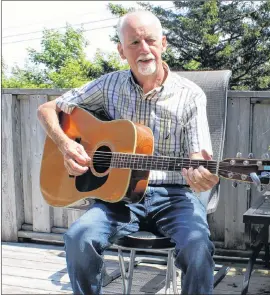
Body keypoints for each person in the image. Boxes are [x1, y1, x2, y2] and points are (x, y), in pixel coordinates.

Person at [37, 10, 219, 295]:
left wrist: (202, 173)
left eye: (150, 40)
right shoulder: (108, 84)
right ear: (122, 51)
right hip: (118, 198)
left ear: (163, 43)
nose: (144, 49)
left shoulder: (191, 95)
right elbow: (48, 109)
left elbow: (199, 154)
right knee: (78, 238)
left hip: (174, 196)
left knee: (198, 247)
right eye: (134, 43)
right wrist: (66, 144)